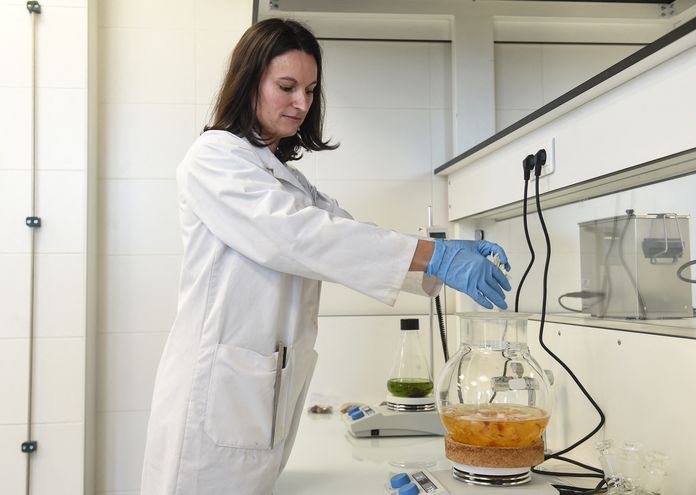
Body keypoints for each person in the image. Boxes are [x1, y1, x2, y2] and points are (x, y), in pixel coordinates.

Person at [140, 18, 511, 495]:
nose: (302, 103)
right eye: (287, 87)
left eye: (311, 90)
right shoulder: (213, 160)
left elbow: (345, 235)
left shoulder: (280, 173)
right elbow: (298, 237)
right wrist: (433, 255)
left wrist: (441, 254)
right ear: (249, 81)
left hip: (258, 395)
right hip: (216, 399)